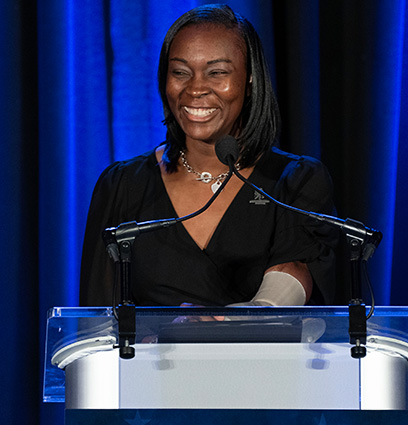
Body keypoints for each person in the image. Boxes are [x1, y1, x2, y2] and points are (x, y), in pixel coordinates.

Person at [79, 4, 338, 307]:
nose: (195, 89)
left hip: (261, 354)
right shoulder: (122, 187)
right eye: (180, 73)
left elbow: (296, 268)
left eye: (216, 73)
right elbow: (98, 319)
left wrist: (243, 322)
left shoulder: (294, 181)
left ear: (250, 79)